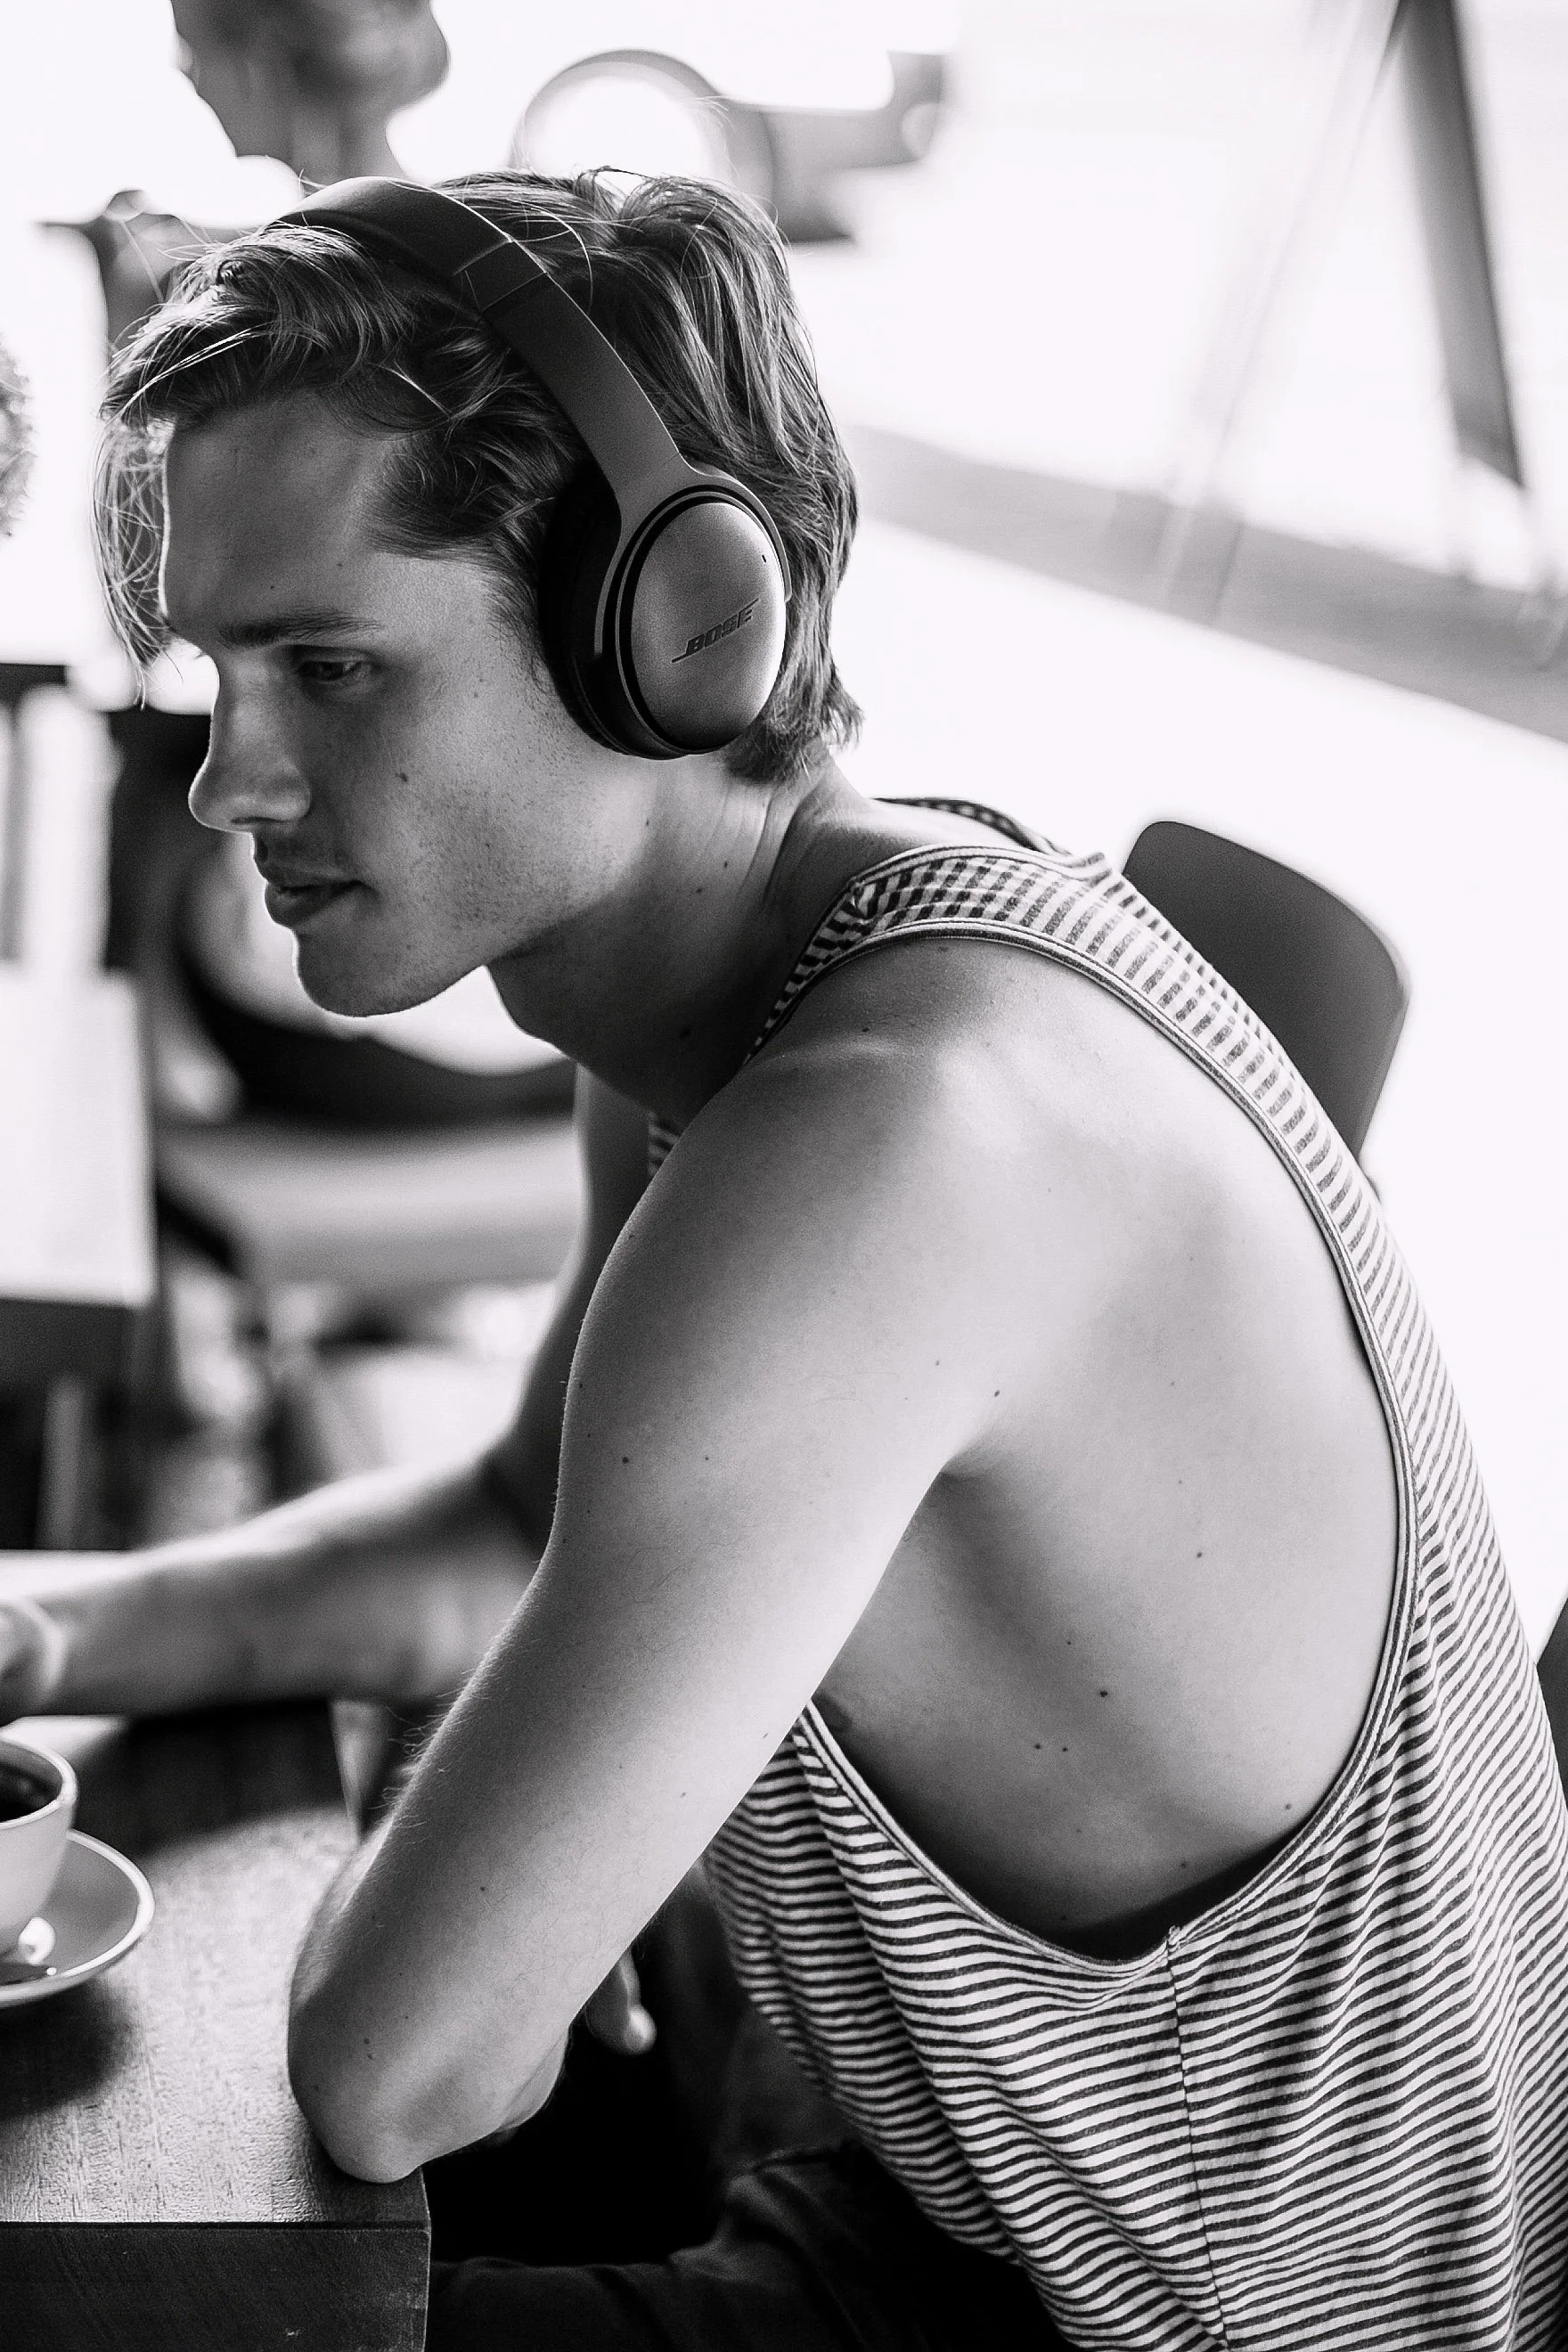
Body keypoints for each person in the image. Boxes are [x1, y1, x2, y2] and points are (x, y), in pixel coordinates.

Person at [4, 167, 1567, 2348]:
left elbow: (406, 2061)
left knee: (139, 2295)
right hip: (954, 2184)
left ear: (670, 632)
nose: (226, 779)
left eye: (331, 666)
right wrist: (44, 1625)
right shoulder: (739, 985)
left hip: (1164, 2312)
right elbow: (504, 1528)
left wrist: (498, 1839)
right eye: (217, 671)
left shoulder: (870, 1143)